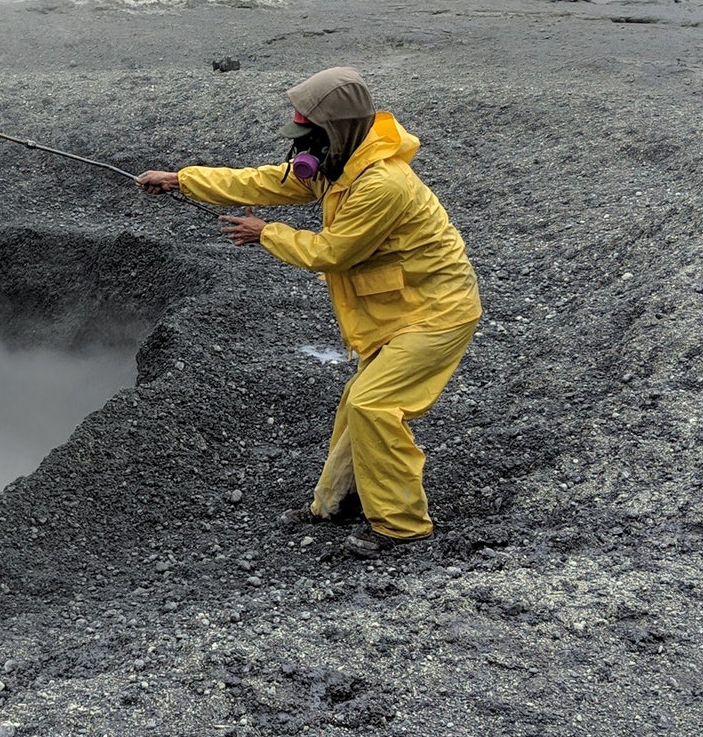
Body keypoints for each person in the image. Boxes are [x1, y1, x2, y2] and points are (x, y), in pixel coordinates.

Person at [137, 67, 481, 549]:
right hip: (398, 309)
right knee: (357, 404)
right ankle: (338, 503)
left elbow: (333, 253)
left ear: (334, 130)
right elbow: (266, 182)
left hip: (436, 312)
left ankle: (403, 527)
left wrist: (266, 234)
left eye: (306, 135)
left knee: (373, 404)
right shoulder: (339, 163)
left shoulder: (382, 183)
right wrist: (182, 180)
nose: (300, 147)